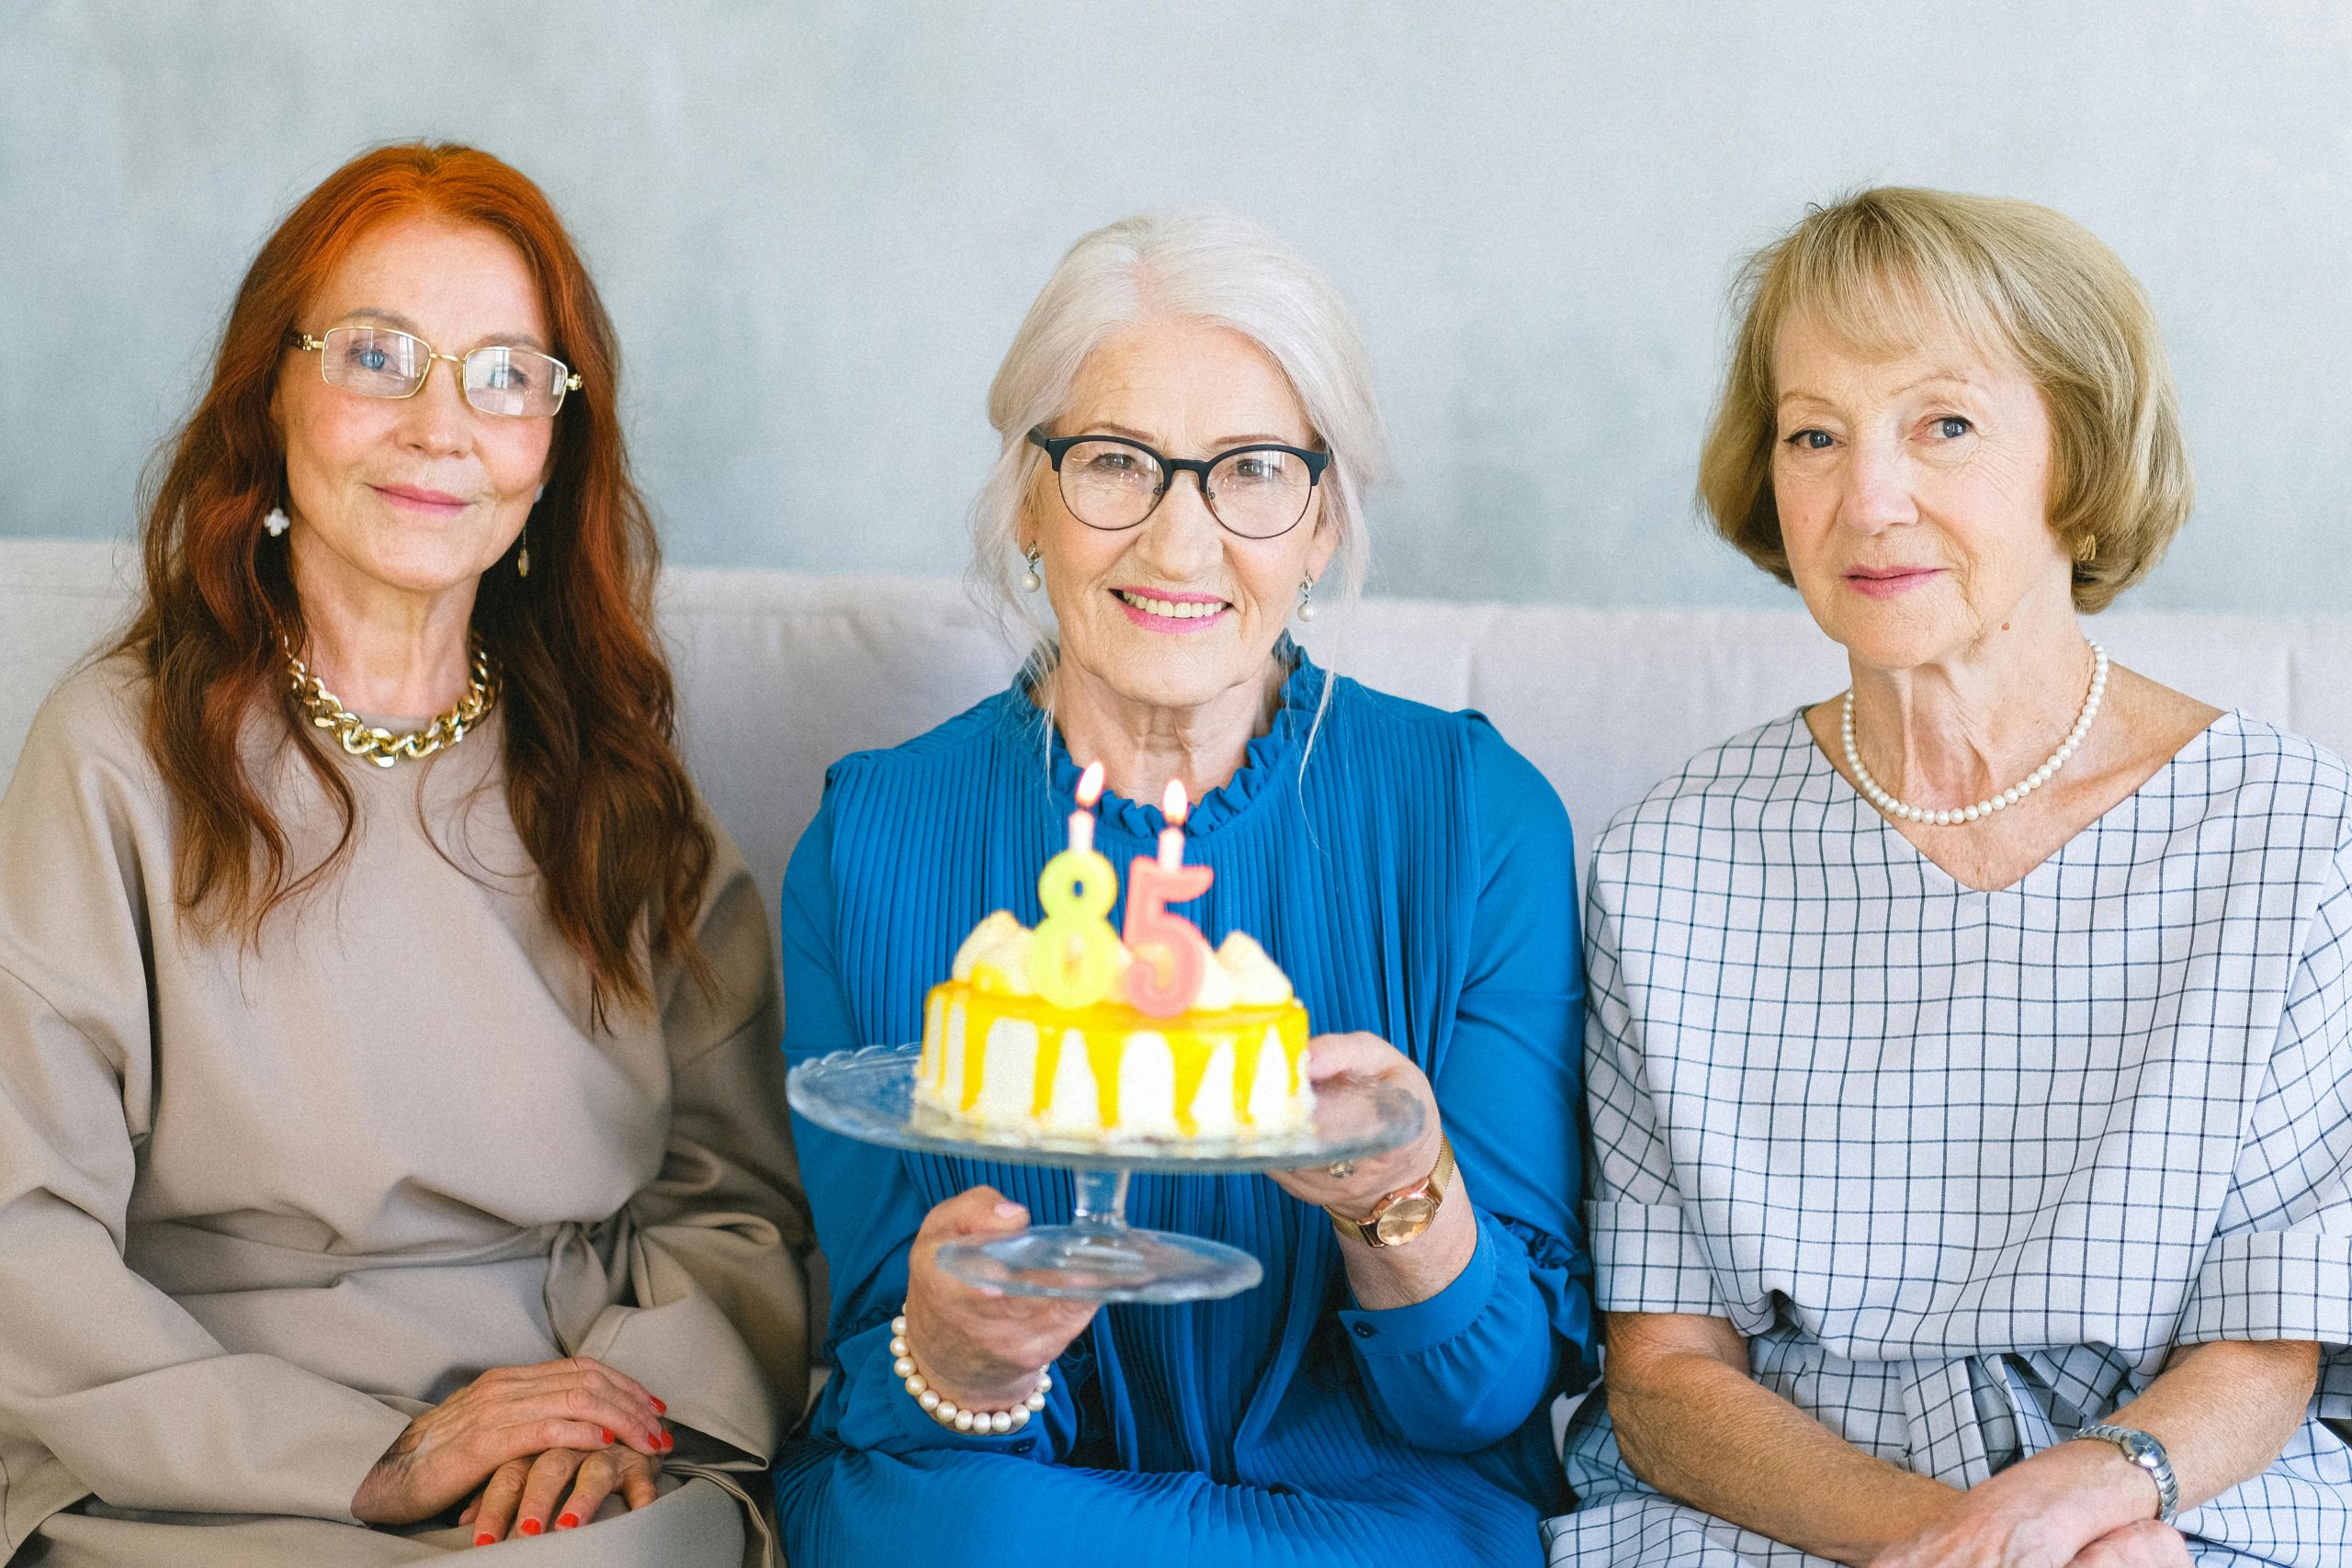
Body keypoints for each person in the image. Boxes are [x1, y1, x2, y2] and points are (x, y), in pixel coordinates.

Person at [0, 143, 810, 1566]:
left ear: (554, 448)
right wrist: (369, 1458)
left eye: (507, 373)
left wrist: (615, 1419)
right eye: (379, 356)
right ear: (272, 395)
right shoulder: (111, 753)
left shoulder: (615, 766)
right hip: (203, 1453)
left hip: (579, 1453)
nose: (444, 425)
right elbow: (21, 1231)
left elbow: (736, 1194)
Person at [774, 209, 1597, 1566]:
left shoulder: (1474, 820)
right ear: (1029, 501)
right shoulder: (871, 838)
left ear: (1322, 521)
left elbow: (1483, 1404)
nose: (1178, 540)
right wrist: (964, 1354)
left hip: (1376, 1523)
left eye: (1253, 473)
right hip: (999, 1514)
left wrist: (1402, 1194)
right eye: (1114, 464)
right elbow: (887, 1386)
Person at [1550, 186, 2351, 1567]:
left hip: (2177, 1488)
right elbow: (1669, 1379)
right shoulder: (1668, 860)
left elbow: (2265, 1341)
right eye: (1814, 435)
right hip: (1787, 1505)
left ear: (2077, 456)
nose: (1869, 499)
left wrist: (2081, 1513)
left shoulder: (2292, 832)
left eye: (1947, 426)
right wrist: (1950, 1545)